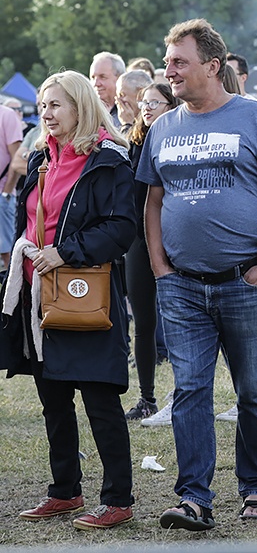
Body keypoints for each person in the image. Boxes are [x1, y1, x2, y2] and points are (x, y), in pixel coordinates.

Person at [136, 18, 257, 529]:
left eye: (180, 62)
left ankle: (256, 489)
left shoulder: (253, 117)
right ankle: (194, 498)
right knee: (189, 390)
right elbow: (153, 200)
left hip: (241, 281)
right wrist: (161, 267)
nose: (170, 70)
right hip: (181, 286)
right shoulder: (162, 127)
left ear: (213, 65)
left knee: (253, 389)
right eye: (168, 62)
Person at [1, 70, 137, 529]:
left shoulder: (109, 160)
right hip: (39, 300)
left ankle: (118, 499)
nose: (46, 113)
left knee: (100, 401)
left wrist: (64, 252)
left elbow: (121, 228)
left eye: (56, 104)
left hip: (86, 295)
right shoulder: (40, 158)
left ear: (80, 106)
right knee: (53, 398)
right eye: (43, 105)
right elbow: (29, 221)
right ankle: (65, 491)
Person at [122, 83, 181, 421]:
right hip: (138, 242)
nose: (146, 107)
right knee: (143, 322)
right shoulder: (132, 143)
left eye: (154, 102)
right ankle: (147, 398)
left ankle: (180, 395)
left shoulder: (175, 140)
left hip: (172, 239)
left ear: (170, 105)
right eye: (143, 102)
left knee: (177, 321)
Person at [0, 102, 24, 268]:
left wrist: (6, 193)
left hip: (3, 193)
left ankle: (11, 292)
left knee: (7, 251)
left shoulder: (7, 115)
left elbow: (17, 159)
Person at [89, 51, 125, 127]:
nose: (96, 84)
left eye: (102, 77)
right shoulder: (86, 112)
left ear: (119, 78)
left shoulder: (131, 111)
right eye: (93, 78)